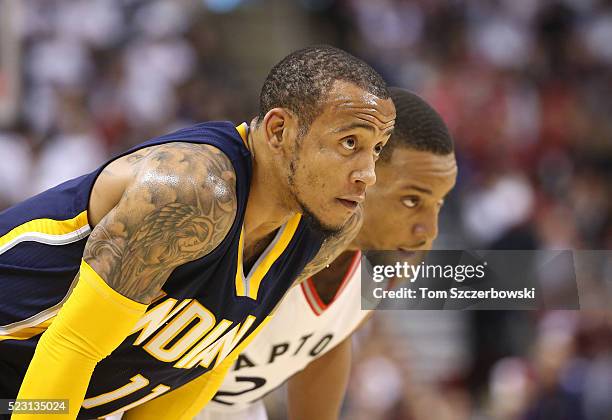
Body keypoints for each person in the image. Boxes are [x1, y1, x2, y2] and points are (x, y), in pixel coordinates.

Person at [0, 45, 395, 419]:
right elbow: (74, 346)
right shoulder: (190, 188)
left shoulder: (319, 228)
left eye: (376, 148)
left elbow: (200, 364)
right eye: (349, 143)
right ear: (278, 130)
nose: (368, 174)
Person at [197, 87, 458, 420]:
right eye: (411, 200)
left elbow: (327, 341)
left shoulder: (392, 258)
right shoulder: (263, 231)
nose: (429, 230)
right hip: (148, 397)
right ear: (362, 178)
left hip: (233, 410)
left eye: (438, 203)